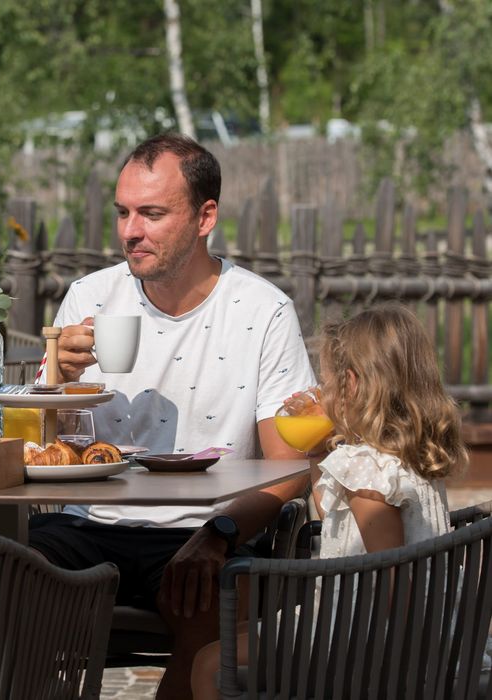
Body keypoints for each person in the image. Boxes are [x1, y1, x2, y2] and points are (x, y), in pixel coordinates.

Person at [28, 132, 315, 699]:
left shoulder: (262, 312)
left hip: (202, 527)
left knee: (209, 598)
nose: (130, 231)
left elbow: (292, 467)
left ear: (205, 216)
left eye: (152, 214)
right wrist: (54, 383)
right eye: (123, 213)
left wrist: (221, 532)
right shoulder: (89, 297)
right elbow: (38, 451)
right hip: (87, 526)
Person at [190, 304, 468, 699]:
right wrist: (316, 446)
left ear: (351, 385)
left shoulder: (368, 471)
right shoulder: (408, 458)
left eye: (327, 384)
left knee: (211, 662)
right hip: (412, 629)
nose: (322, 393)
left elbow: (392, 579)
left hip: (375, 646)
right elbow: (331, 512)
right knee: (233, 635)